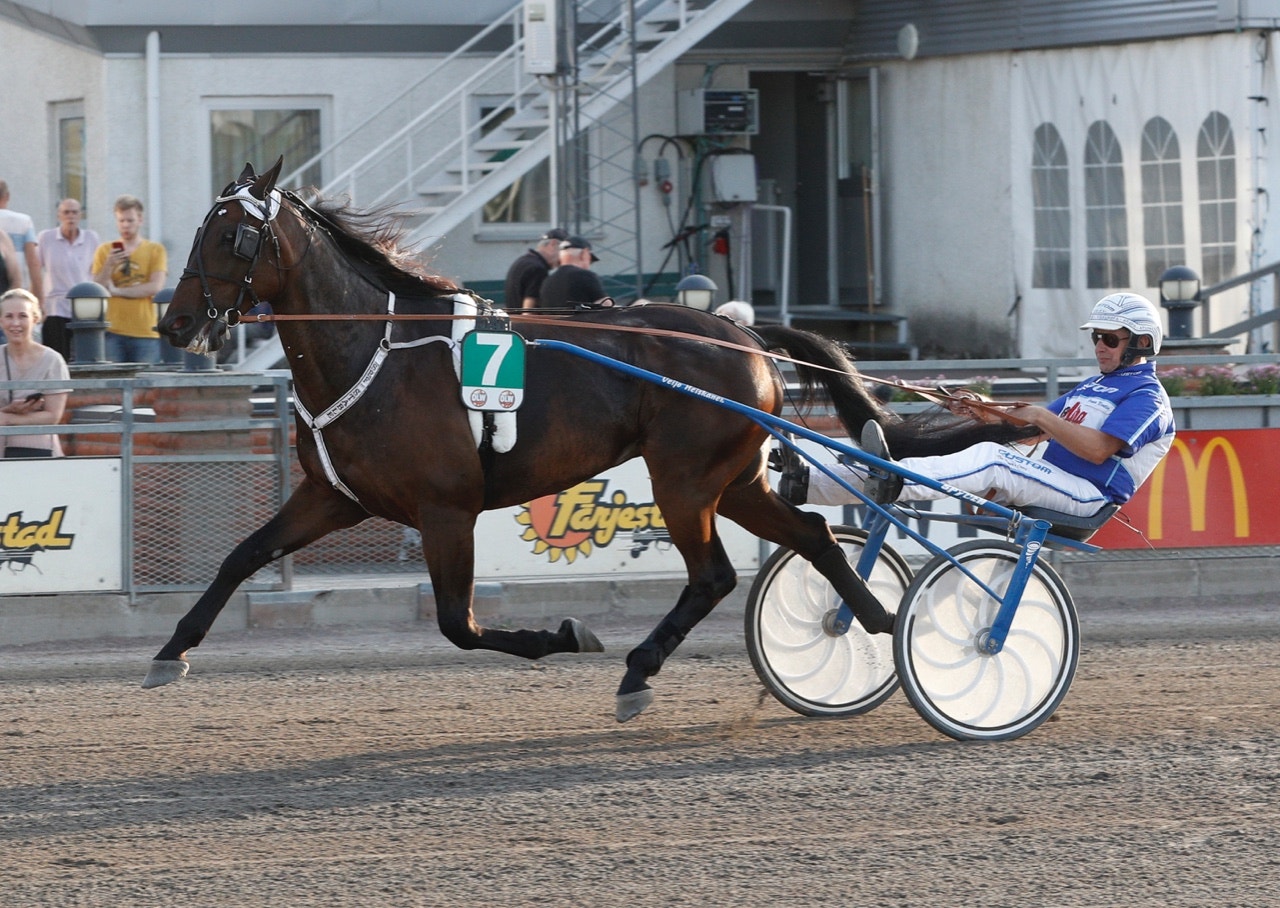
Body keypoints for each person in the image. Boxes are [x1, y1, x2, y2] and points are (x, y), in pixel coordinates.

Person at [777, 292, 1176, 519]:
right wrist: (981, 407)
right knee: (979, 446)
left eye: (1110, 339)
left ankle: (897, 480)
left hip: (1087, 494)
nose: (1100, 347)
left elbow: (1096, 449)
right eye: (1096, 338)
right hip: (1050, 477)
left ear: (1141, 342)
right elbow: (1031, 426)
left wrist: (1040, 414)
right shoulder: (1093, 386)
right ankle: (809, 482)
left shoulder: (1147, 397)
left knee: (993, 458)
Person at [92, 195, 167, 364]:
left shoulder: (155, 250)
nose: (125, 225)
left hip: (145, 331)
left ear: (140, 220)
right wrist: (109, 264)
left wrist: (117, 291)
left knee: (146, 385)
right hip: (113, 330)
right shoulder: (105, 250)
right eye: (121, 221)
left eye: (130, 220)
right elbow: (96, 288)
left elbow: (155, 287)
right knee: (114, 384)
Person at [0, 289, 70, 458]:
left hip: (40, 448)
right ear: (1, 321)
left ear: (35, 319)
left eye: (23, 316)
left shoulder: (53, 359)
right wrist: (10, 409)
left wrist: (8, 419)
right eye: (9, 316)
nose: (15, 323)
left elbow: (53, 416)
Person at [37, 198, 101, 362]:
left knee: (85, 357)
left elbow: (96, 271)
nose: (70, 216)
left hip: (84, 307)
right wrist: (37, 303)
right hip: (55, 307)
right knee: (56, 357)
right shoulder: (46, 238)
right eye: (66, 212)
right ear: (59, 215)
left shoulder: (91, 238)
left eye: (74, 212)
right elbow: (35, 271)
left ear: (81, 215)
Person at [503, 228, 568, 310]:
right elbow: (529, 310)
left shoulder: (522, 261)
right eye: (564, 251)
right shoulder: (538, 269)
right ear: (553, 244)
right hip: (526, 322)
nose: (563, 258)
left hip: (513, 320)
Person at [0, 180, 43, 301]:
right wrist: (39, 298)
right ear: (7, 196)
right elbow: (33, 262)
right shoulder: (23, 221)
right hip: (17, 290)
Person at [538, 235, 606, 310]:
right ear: (584, 253)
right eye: (590, 260)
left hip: (551, 321)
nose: (589, 265)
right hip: (580, 321)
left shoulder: (548, 281)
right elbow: (606, 306)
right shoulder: (585, 276)